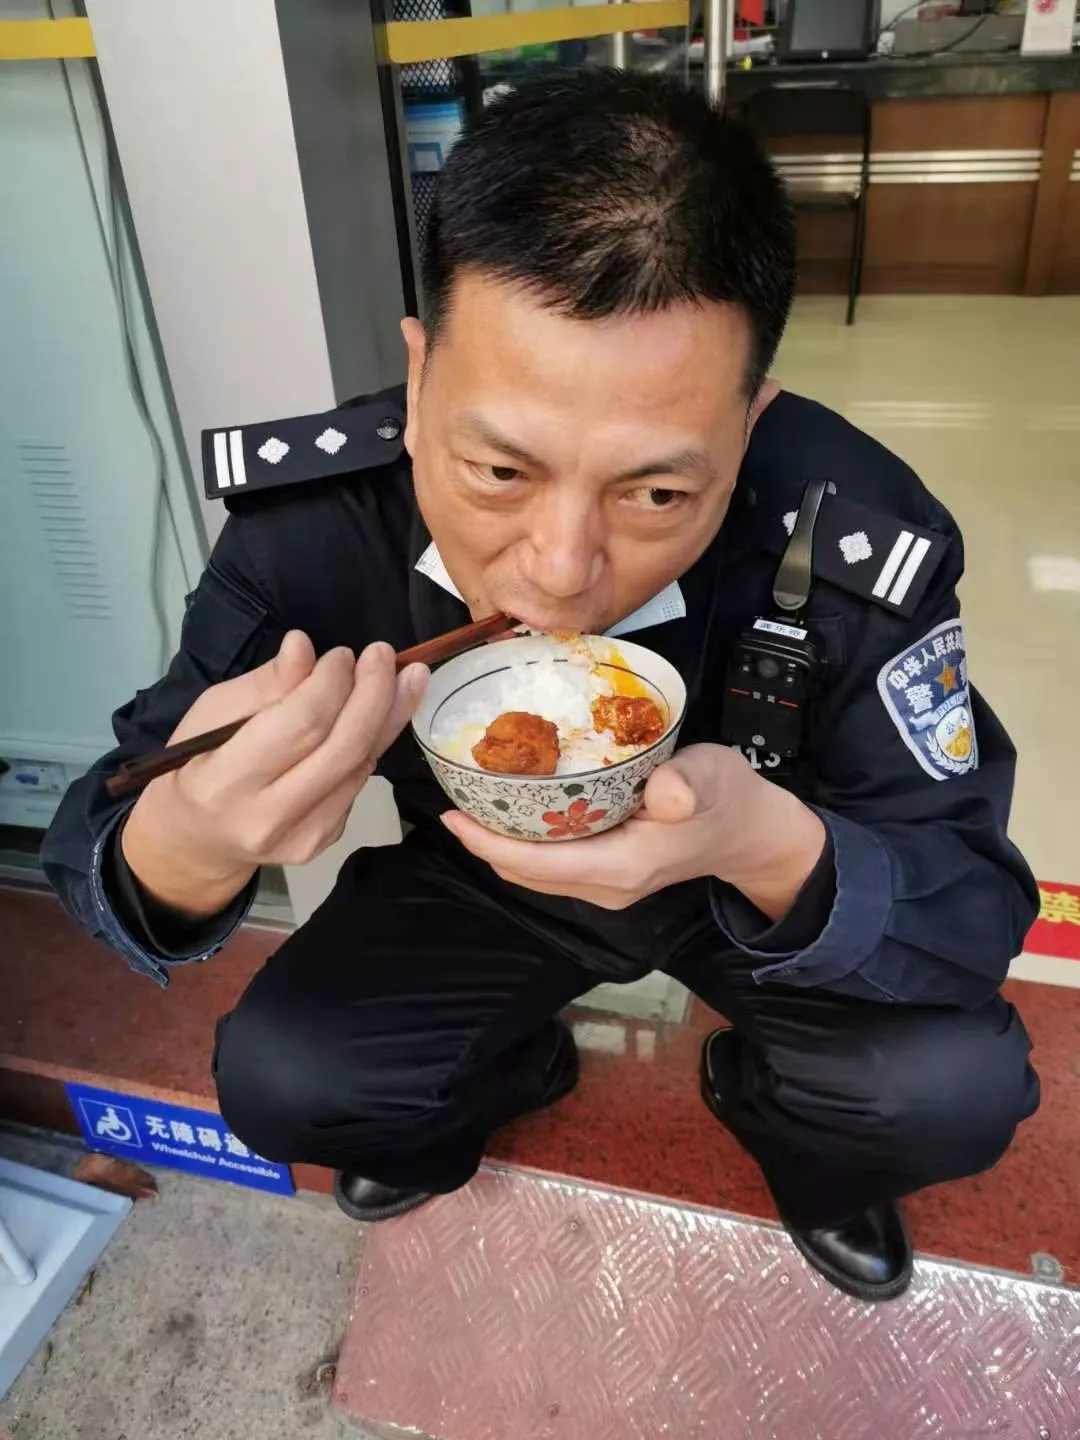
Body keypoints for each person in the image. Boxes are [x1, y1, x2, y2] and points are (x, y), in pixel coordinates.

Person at [43, 70, 1039, 1304]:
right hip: (480, 879)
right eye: (499, 471)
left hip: (751, 884)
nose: (562, 569)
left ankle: (780, 1117)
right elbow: (104, 825)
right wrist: (188, 842)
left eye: (657, 492)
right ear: (418, 383)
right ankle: (512, 1069)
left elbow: (967, 903)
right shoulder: (320, 529)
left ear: (752, 423)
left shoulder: (848, 540)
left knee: (948, 1095)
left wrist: (766, 844)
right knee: (290, 1080)